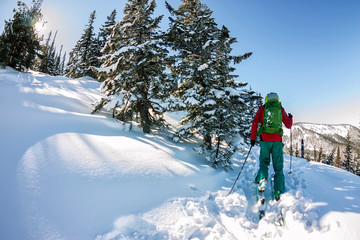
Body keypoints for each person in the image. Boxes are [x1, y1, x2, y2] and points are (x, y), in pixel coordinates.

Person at [250, 92, 293, 201]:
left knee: (264, 162)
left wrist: (253, 139)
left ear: (266, 100)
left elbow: (255, 123)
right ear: (277, 100)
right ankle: (278, 190)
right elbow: (288, 125)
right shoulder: (280, 109)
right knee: (278, 166)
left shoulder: (262, 109)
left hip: (265, 140)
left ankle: (262, 180)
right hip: (277, 141)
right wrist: (291, 118)